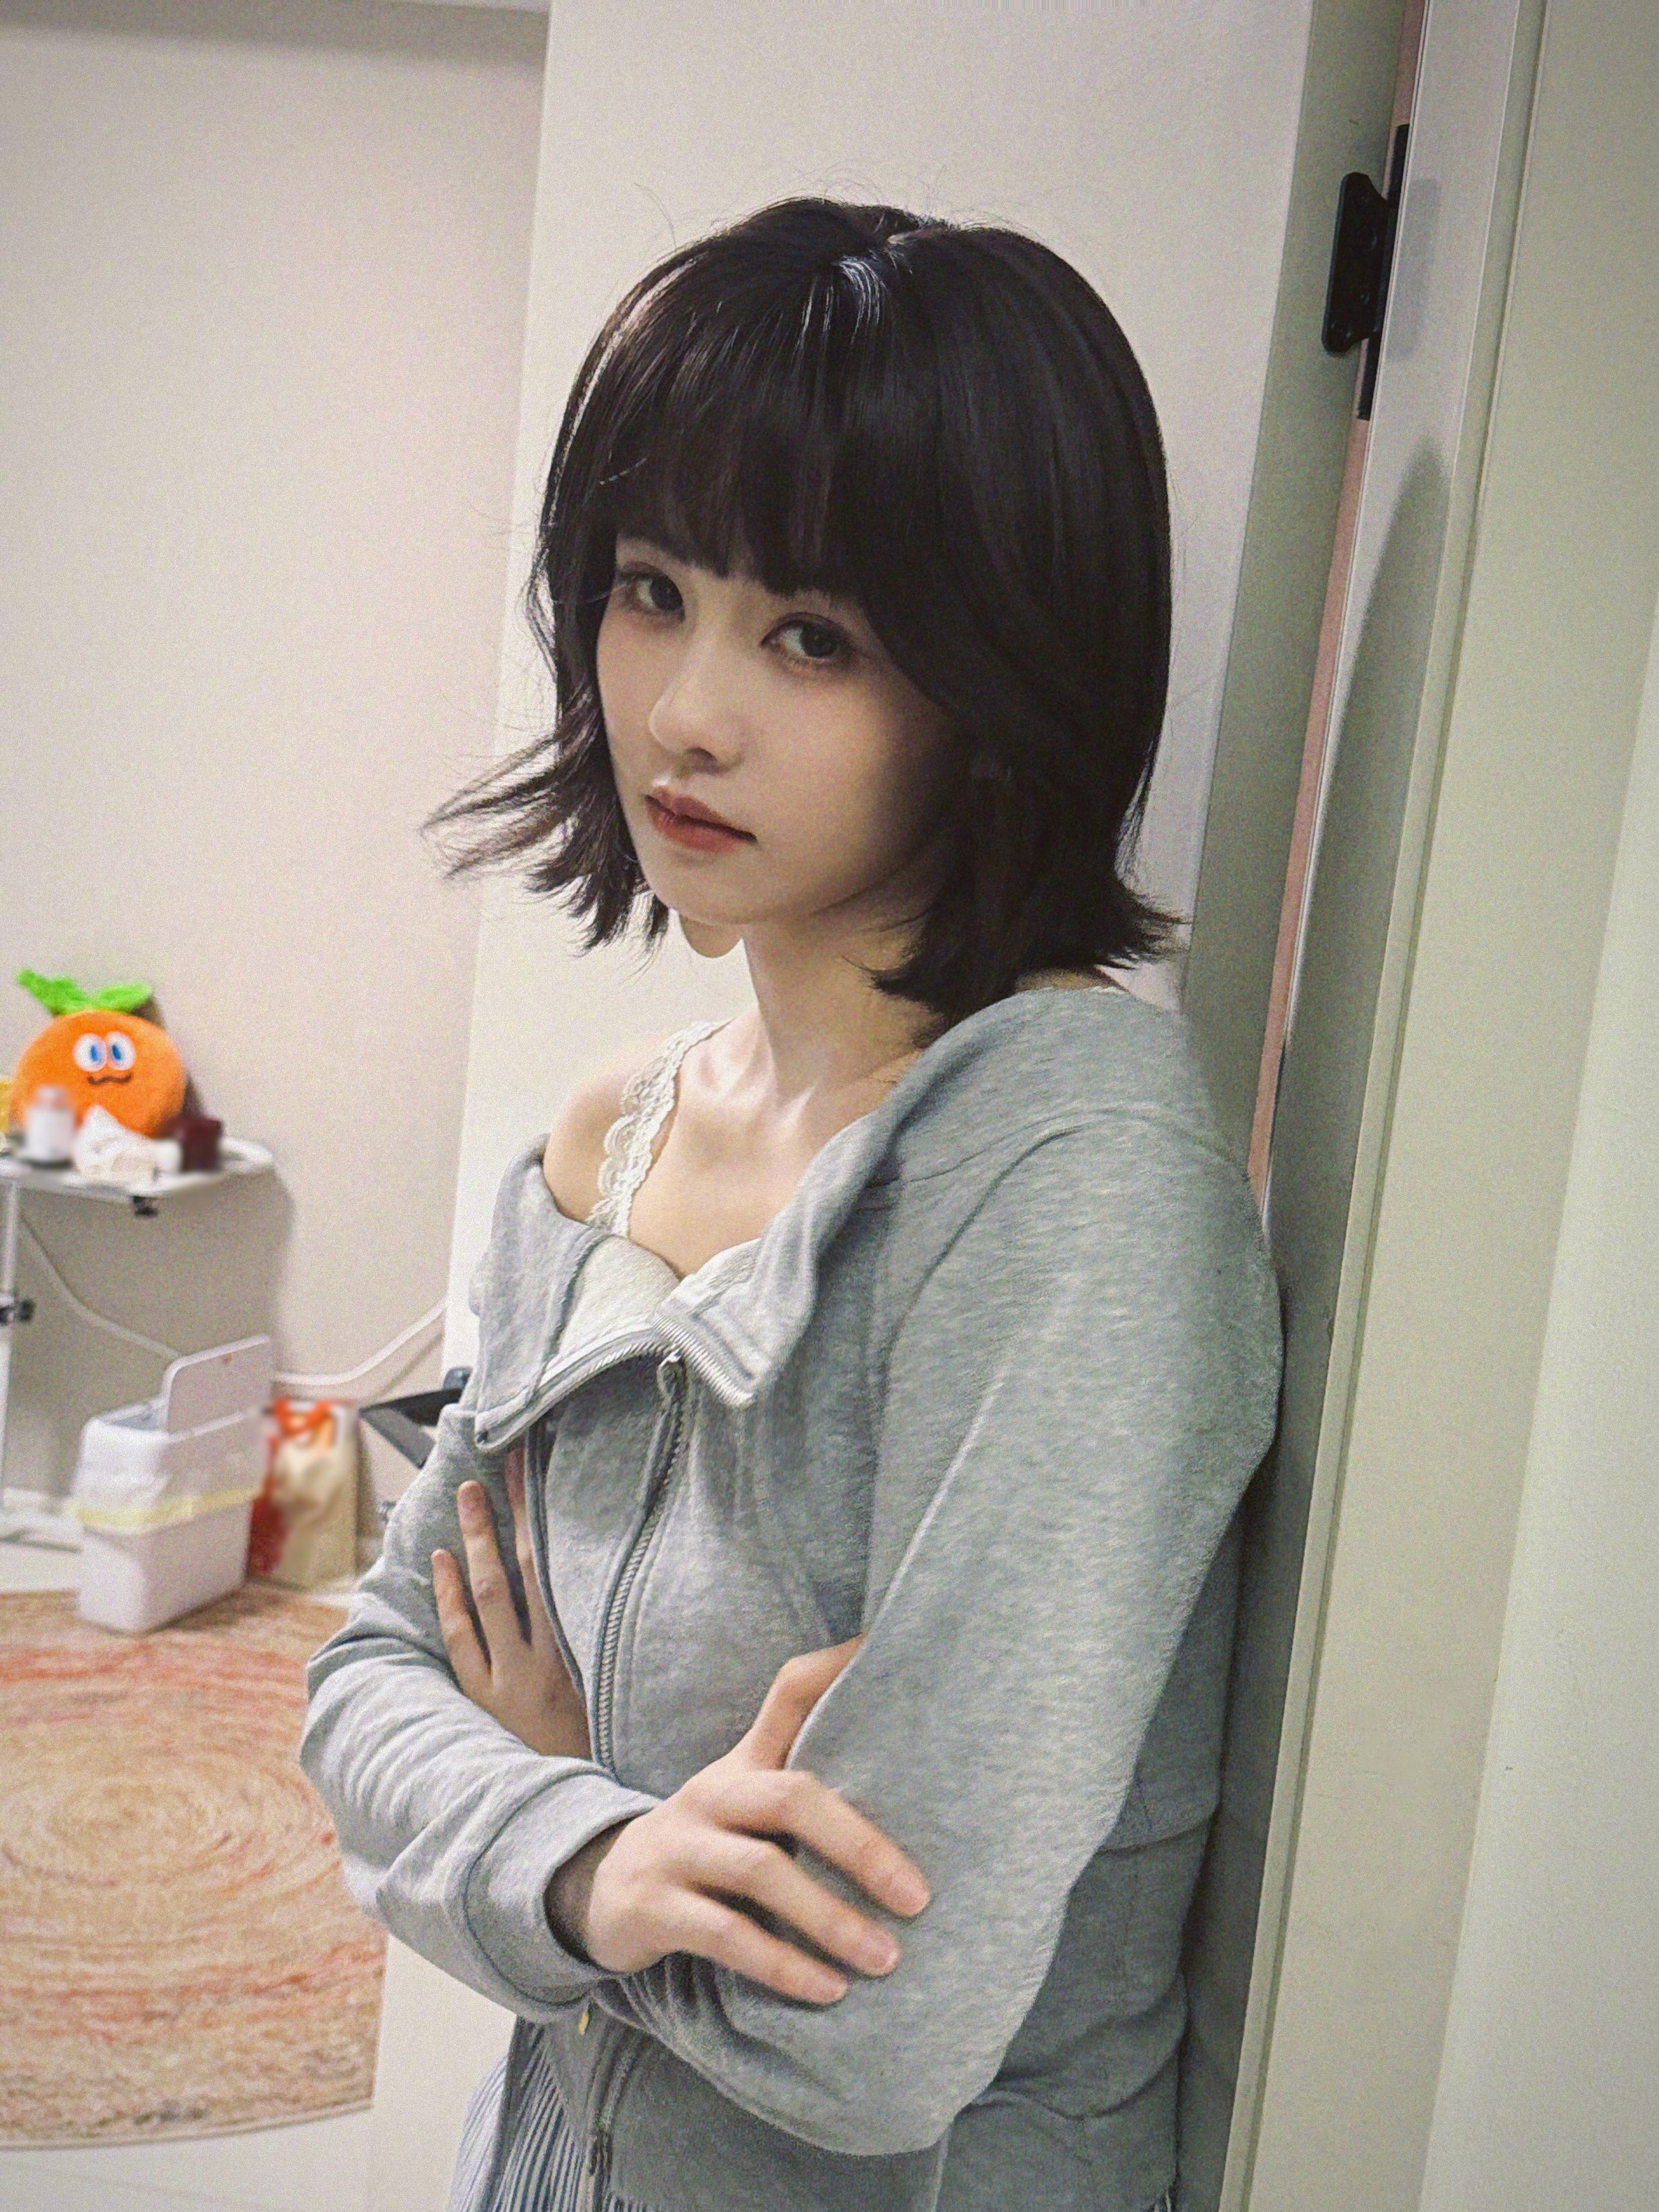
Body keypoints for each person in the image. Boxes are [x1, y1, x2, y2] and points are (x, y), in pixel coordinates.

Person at [301, 197, 1281, 2212]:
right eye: (649, 591)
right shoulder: (610, 1137)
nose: (684, 710)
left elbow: (870, 2021)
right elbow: (365, 1682)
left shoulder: (1072, 1181)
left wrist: (538, 1807)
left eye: (811, 636)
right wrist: (599, 1849)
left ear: (1000, 685)